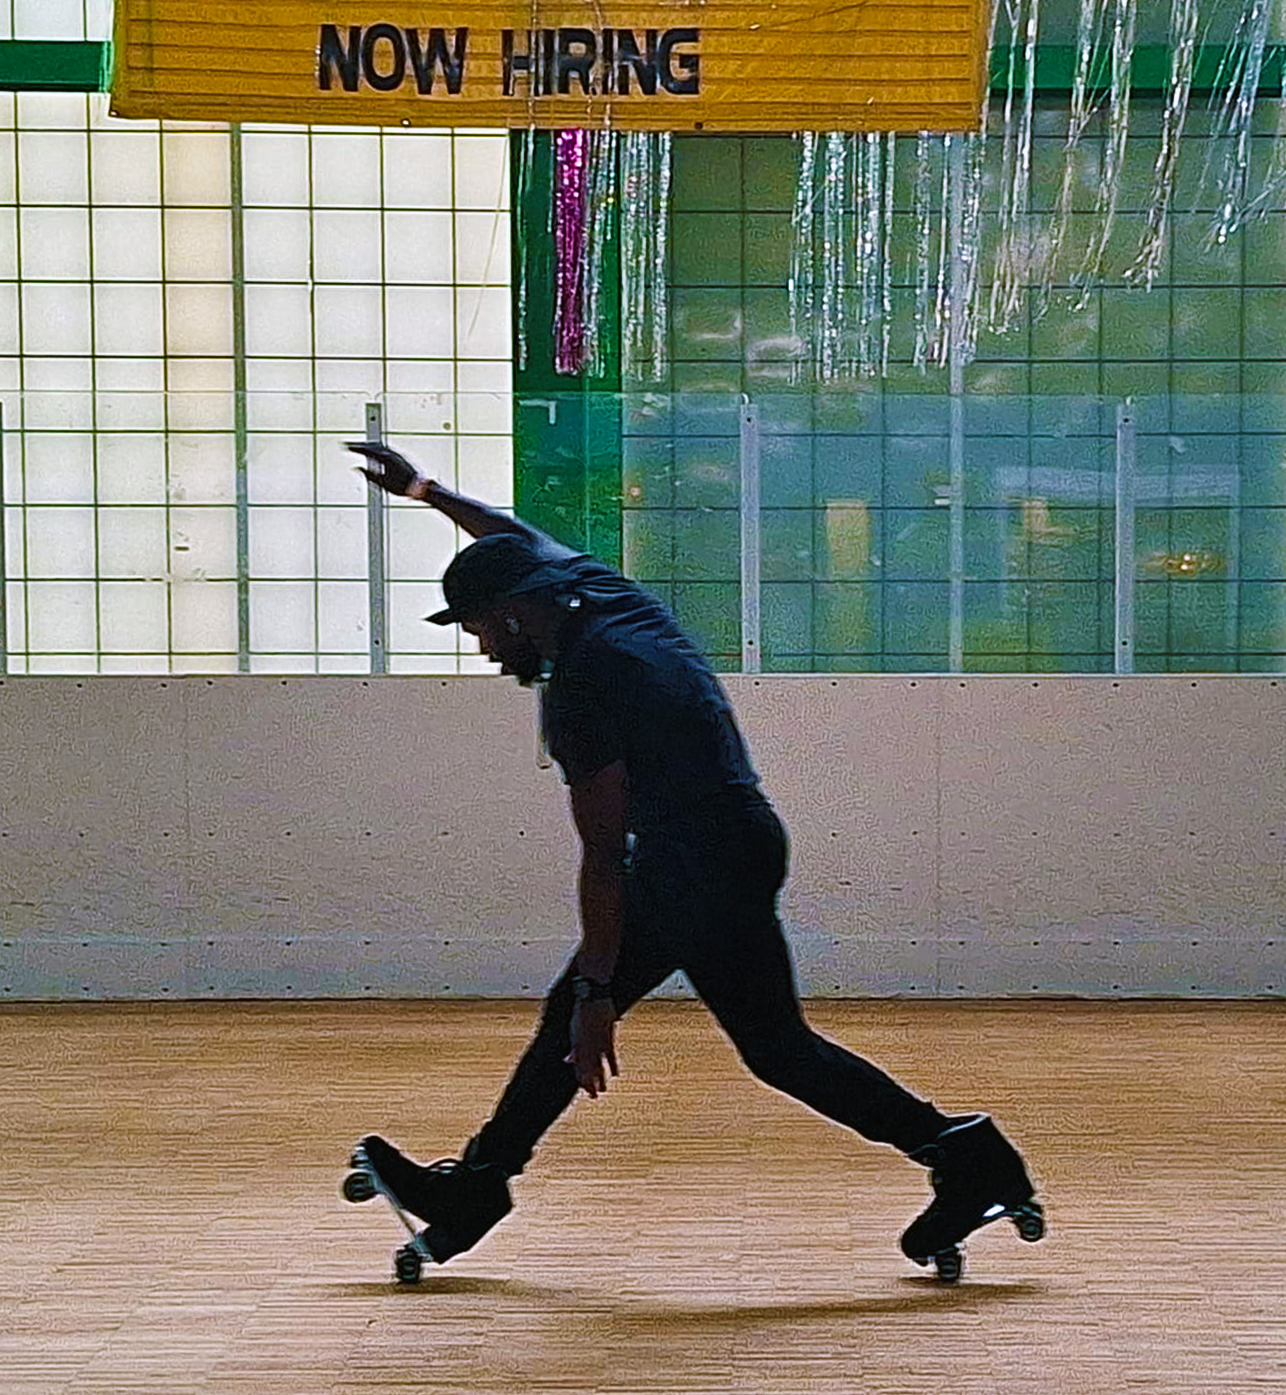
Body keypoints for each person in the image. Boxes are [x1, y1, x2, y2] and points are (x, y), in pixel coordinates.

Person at [336, 441, 1045, 1286]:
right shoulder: (602, 596)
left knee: (620, 1015)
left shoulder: (584, 691)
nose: (484, 649)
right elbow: (513, 532)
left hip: (697, 861)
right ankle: (967, 1153)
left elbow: (601, 856)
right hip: (735, 839)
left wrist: (601, 996)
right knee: (777, 1048)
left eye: (483, 628)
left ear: (518, 612)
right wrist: (425, 491)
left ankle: (477, 1191)